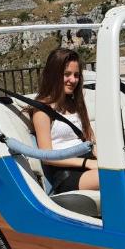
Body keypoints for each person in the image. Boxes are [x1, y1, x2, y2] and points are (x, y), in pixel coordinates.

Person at [30, 48, 99, 193]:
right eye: (67, 74)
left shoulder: (76, 103)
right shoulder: (42, 110)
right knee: (113, 177)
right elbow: (46, 156)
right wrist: (87, 163)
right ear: (53, 75)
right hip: (68, 174)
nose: (73, 80)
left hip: (88, 163)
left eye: (76, 75)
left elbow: (90, 138)